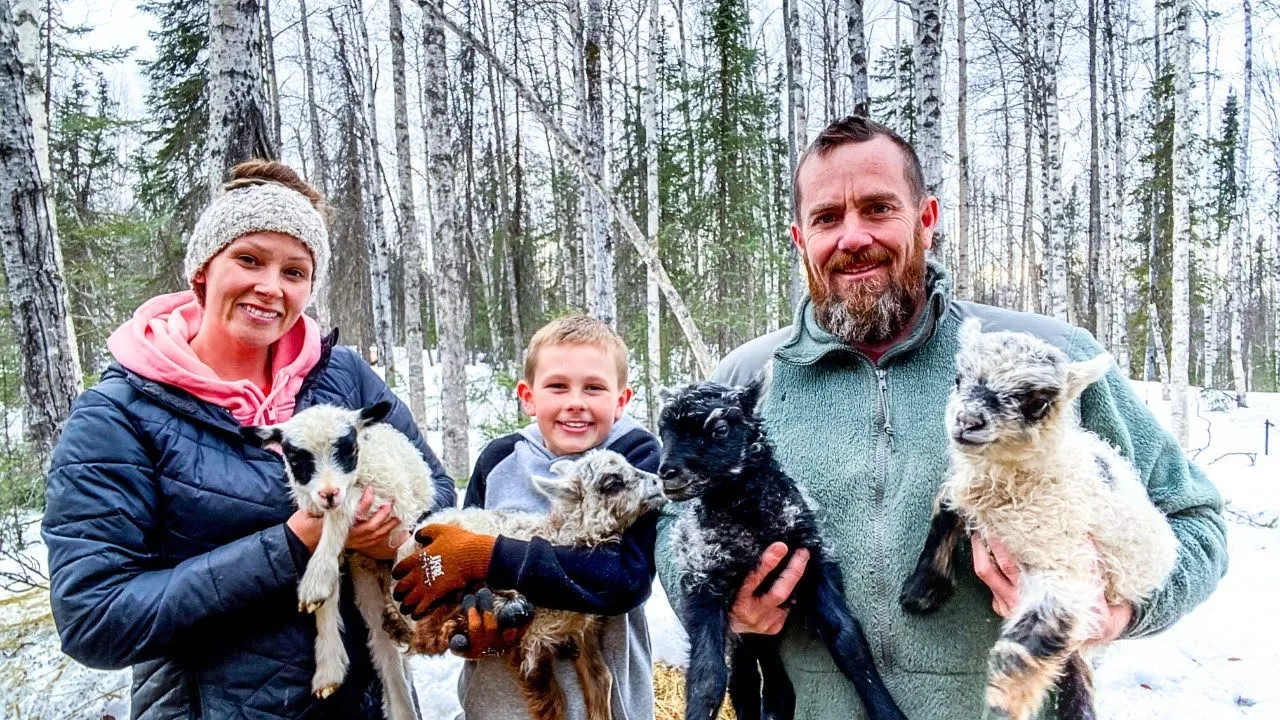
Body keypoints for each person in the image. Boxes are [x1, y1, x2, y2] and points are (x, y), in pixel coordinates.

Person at [654, 116, 1228, 718]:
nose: (852, 237)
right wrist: (725, 602)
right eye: (827, 218)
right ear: (800, 238)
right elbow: (673, 523)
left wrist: (1118, 611)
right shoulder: (747, 381)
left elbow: (1196, 518)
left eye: (878, 209)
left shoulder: (1040, 364)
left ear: (925, 220)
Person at [42, 160, 456, 719]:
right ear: (201, 272)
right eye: (249, 260)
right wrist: (292, 544)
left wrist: (393, 538)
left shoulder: (344, 378)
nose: (270, 287)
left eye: (294, 271)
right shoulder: (120, 414)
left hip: (367, 705)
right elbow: (95, 619)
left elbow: (440, 495)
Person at [392, 315, 661, 720]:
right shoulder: (500, 460)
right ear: (528, 396)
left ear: (622, 400)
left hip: (604, 704)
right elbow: (451, 555)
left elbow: (623, 579)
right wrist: (465, 620)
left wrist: (490, 556)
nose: (575, 402)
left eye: (594, 387)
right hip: (500, 704)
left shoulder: (636, 464)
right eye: (557, 386)